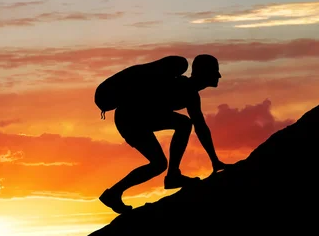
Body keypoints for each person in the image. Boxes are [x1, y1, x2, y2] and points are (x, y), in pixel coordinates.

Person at [98, 54, 231, 214]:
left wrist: (214, 161)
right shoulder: (178, 85)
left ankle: (113, 194)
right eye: (214, 71)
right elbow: (195, 125)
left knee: (158, 164)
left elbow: (201, 127)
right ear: (204, 73)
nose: (218, 76)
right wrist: (214, 161)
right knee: (183, 124)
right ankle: (173, 175)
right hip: (130, 118)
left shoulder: (191, 95)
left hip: (136, 118)